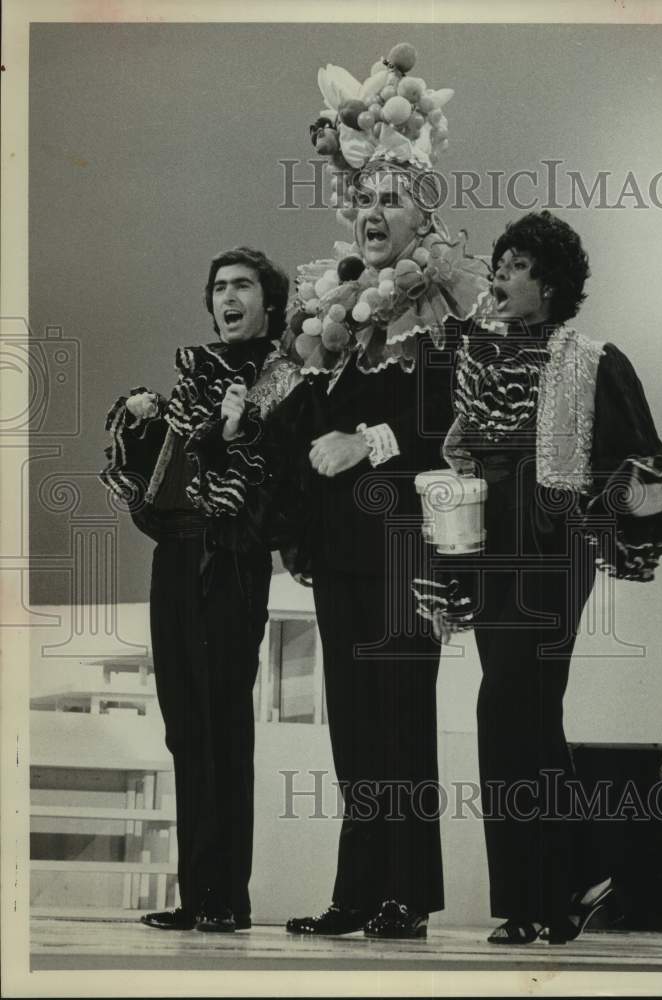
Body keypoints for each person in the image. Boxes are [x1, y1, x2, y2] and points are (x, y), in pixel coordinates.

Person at [414, 211, 662, 945]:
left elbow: (636, 463)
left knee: (519, 702)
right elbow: (460, 458)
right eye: (499, 264)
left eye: (515, 266)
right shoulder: (477, 358)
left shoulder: (593, 359)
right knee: (513, 718)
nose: (500, 277)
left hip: (551, 548)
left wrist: (634, 498)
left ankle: (562, 884)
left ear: (549, 283)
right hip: (488, 548)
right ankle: (556, 888)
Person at [272, 45, 490, 939]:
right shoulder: (336, 307)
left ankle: (406, 892)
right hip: (341, 551)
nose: (371, 212)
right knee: (354, 727)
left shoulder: (439, 305)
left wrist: (364, 441)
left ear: (421, 215)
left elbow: (454, 424)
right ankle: (355, 891)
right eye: (362, 199)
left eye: (389, 200)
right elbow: (305, 427)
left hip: (405, 547)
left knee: (402, 719)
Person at [101, 246, 298, 933]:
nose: (227, 297)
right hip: (177, 559)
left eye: (242, 285)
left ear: (269, 304)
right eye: (219, 287)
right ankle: (198, 895)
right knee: (186, 726)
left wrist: (237, 432)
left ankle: (226, 898)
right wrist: (143, 417)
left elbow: (267, 477)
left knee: (221, 724)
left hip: (230, 559)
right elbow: (167, 473)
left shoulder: (280, 378)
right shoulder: (197, 375)